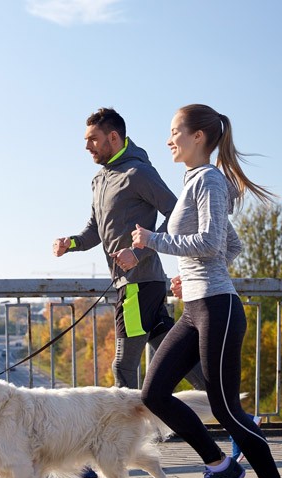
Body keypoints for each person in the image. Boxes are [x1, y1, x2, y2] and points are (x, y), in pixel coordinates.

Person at [131, 104, 282, 478]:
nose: (169, 140)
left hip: (218, 308)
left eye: (175, 132)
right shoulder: (196, 181)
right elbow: (231, 245)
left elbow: (210, 242)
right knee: (154, 393)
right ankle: (219, 465)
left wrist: (153, 240)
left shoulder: (208, 179)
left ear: (198, 137)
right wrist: (189, 277)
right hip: (196, 306)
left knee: (226, 408)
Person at [52, 107, 207, 393]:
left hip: (137, 285)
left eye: (93, 139)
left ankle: (131, 426)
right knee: (178, 359)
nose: (87, 146)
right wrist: (70, 243)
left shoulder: (138, 173)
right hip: (139, 284)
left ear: (113, 137)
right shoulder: (100, 180)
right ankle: (229, 408)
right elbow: (95, 230)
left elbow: (177, 214)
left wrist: (138, 252)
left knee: (123, 367)